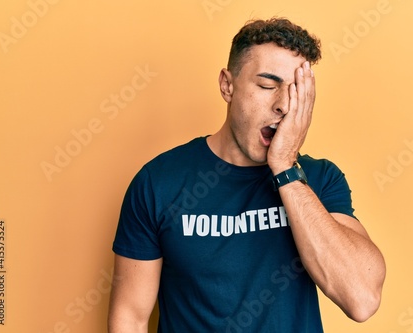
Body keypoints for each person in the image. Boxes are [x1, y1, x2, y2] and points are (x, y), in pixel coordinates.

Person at [108, 17, 386, 333]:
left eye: (296, 91)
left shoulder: (320, 179)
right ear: (228, 85)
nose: (283, 104)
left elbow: (361, 299)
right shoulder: (159, 182)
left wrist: (285, 168)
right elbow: (130, 317)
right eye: (267, 85)